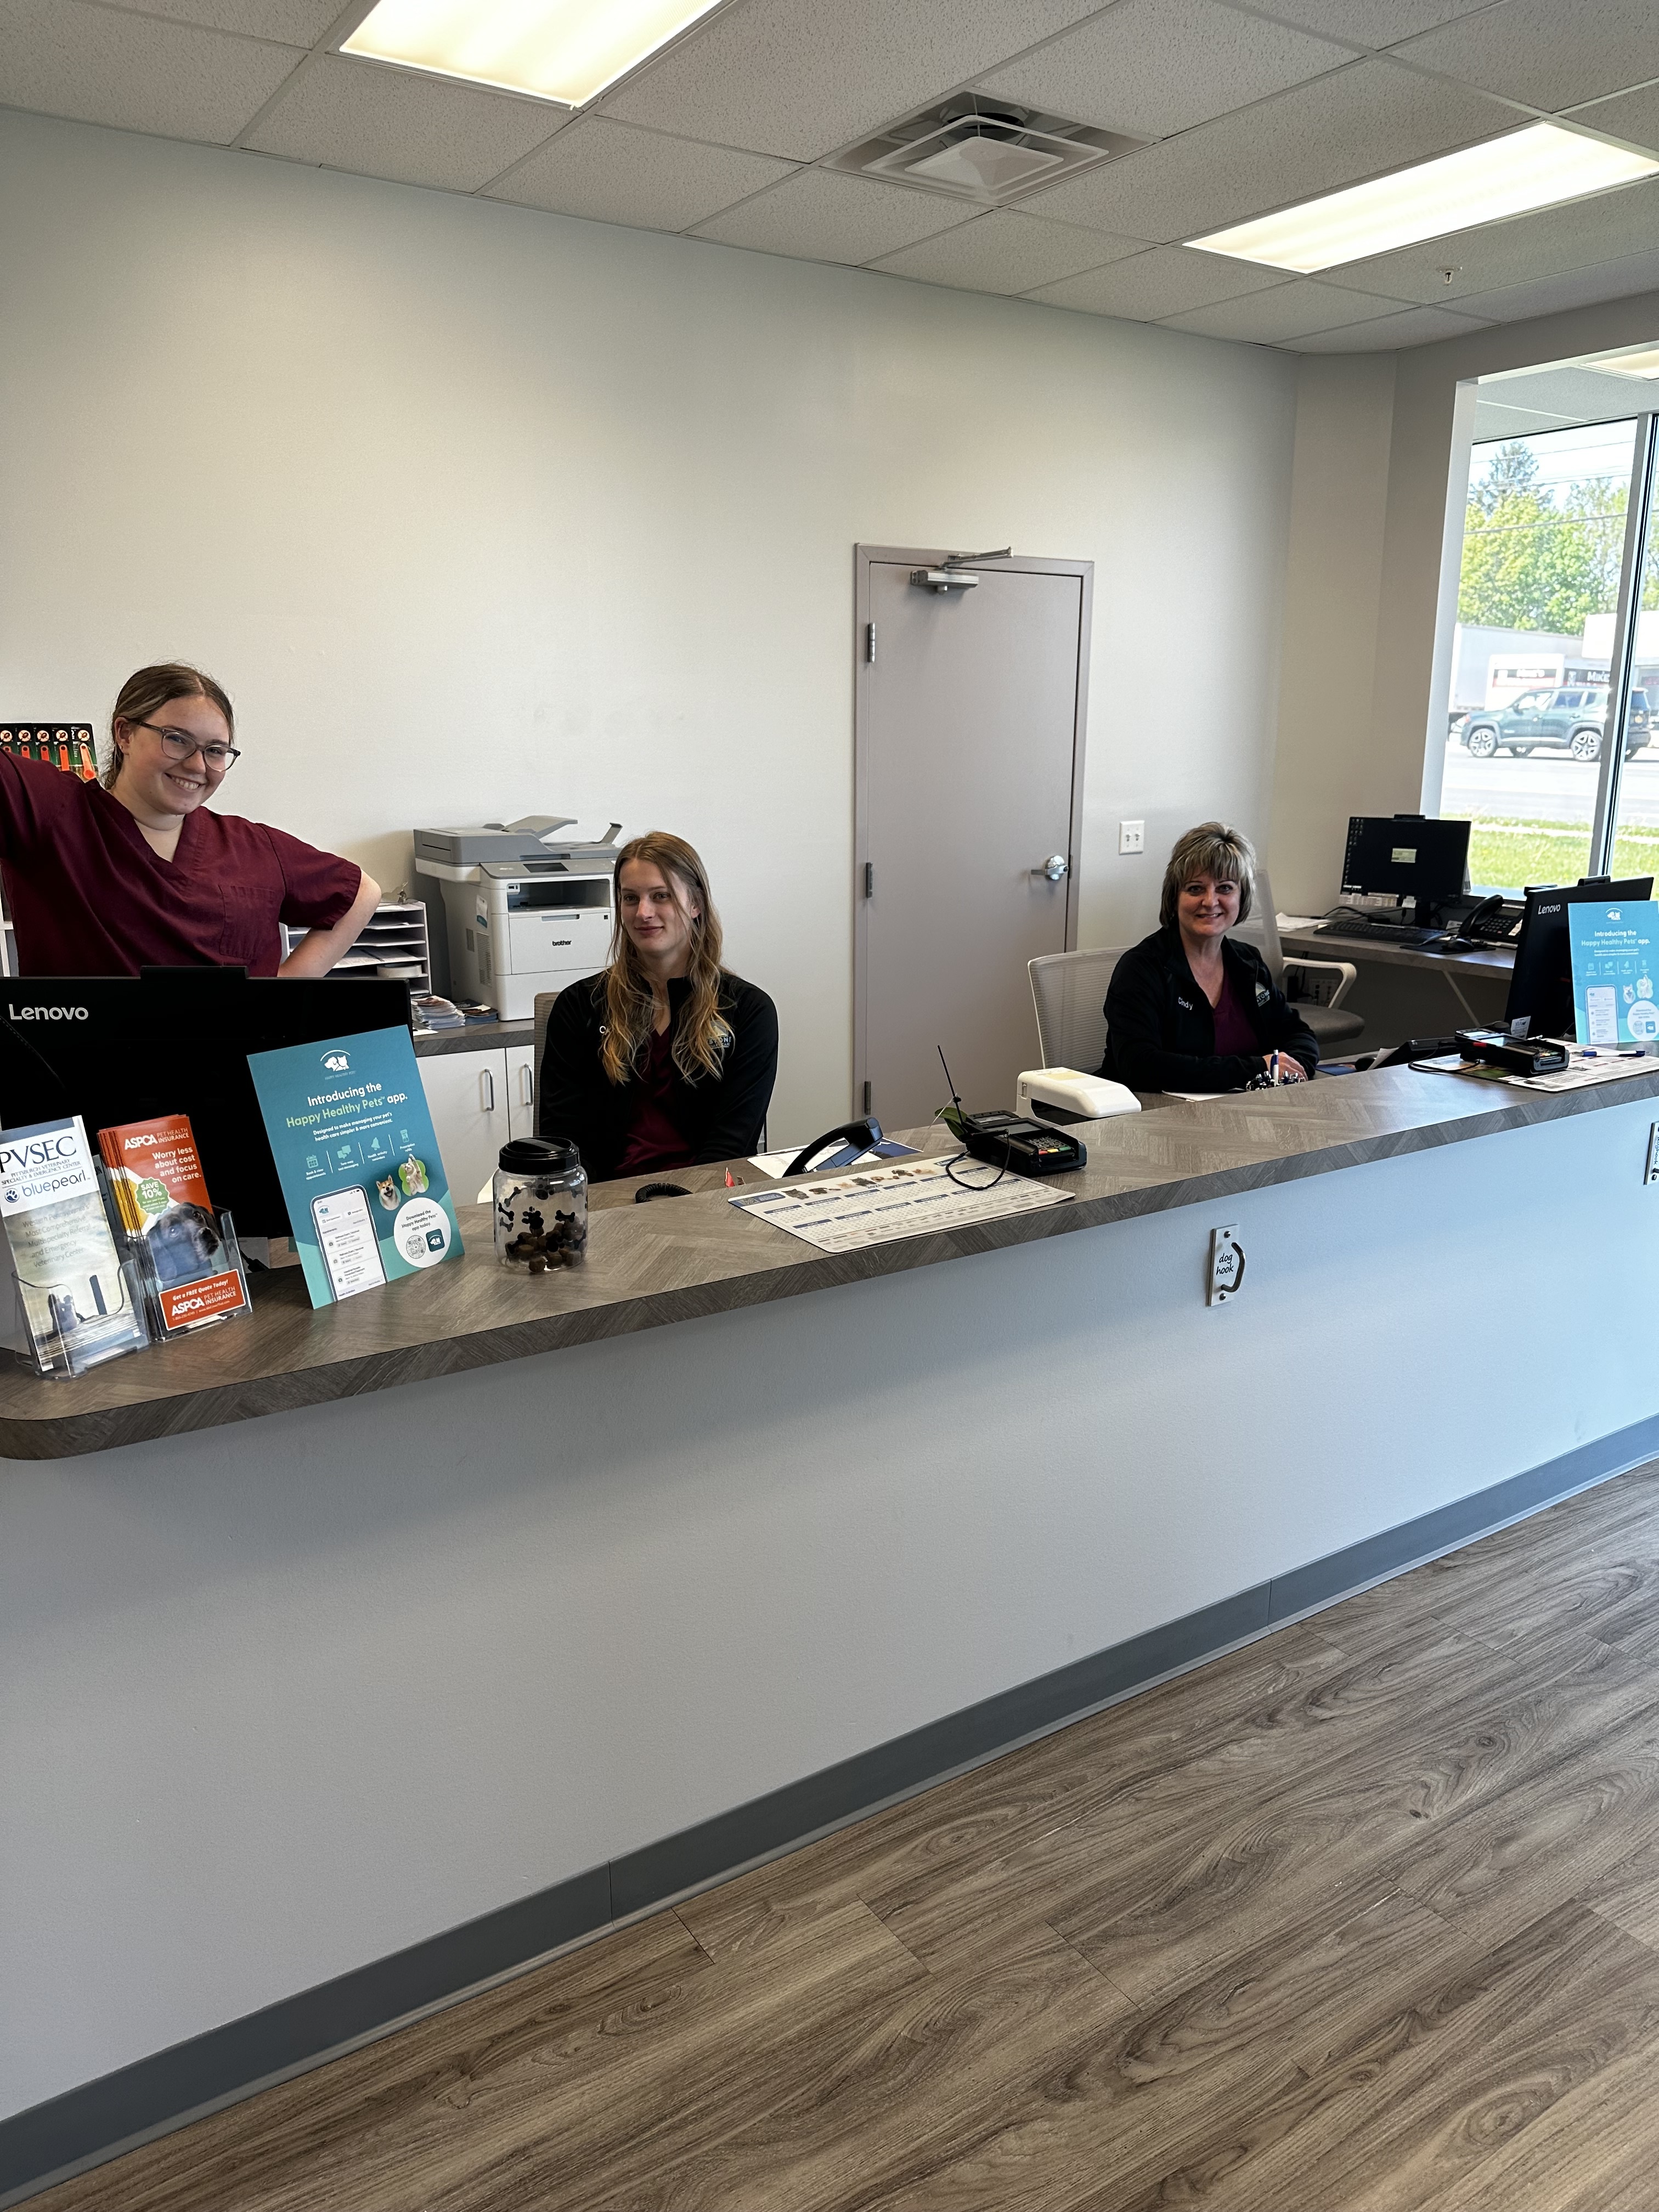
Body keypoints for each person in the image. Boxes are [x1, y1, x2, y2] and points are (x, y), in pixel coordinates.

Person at [0, 663, 379, 977]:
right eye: (177, 739)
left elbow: (361, 893)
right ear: (125, 734)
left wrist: (286, 988)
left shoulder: (254, 846)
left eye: (215, 750)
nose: (198, 766)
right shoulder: (53, 812)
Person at [538, 831, 777, 1180]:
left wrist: (681, 1202)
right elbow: (562, 1139)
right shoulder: (579, 1007)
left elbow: (732, 1145)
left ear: (695, 904)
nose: (643, 913)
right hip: (604, 1197)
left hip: (703, 1195)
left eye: (660, 896)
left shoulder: (748, 1011)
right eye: (630, 898)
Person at [1103, 821, 1318, 1093]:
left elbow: (1298, 1034)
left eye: (1225, 888)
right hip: (1152, 1111)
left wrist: (1289, 1069)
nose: (1210, 901)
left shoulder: (1247, 963)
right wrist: (1257, 1069)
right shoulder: (1141, 968)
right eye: (1195, 889)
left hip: (1242, 1106)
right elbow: (1140, 1065)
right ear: (1175, 897)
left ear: (1242, 897)